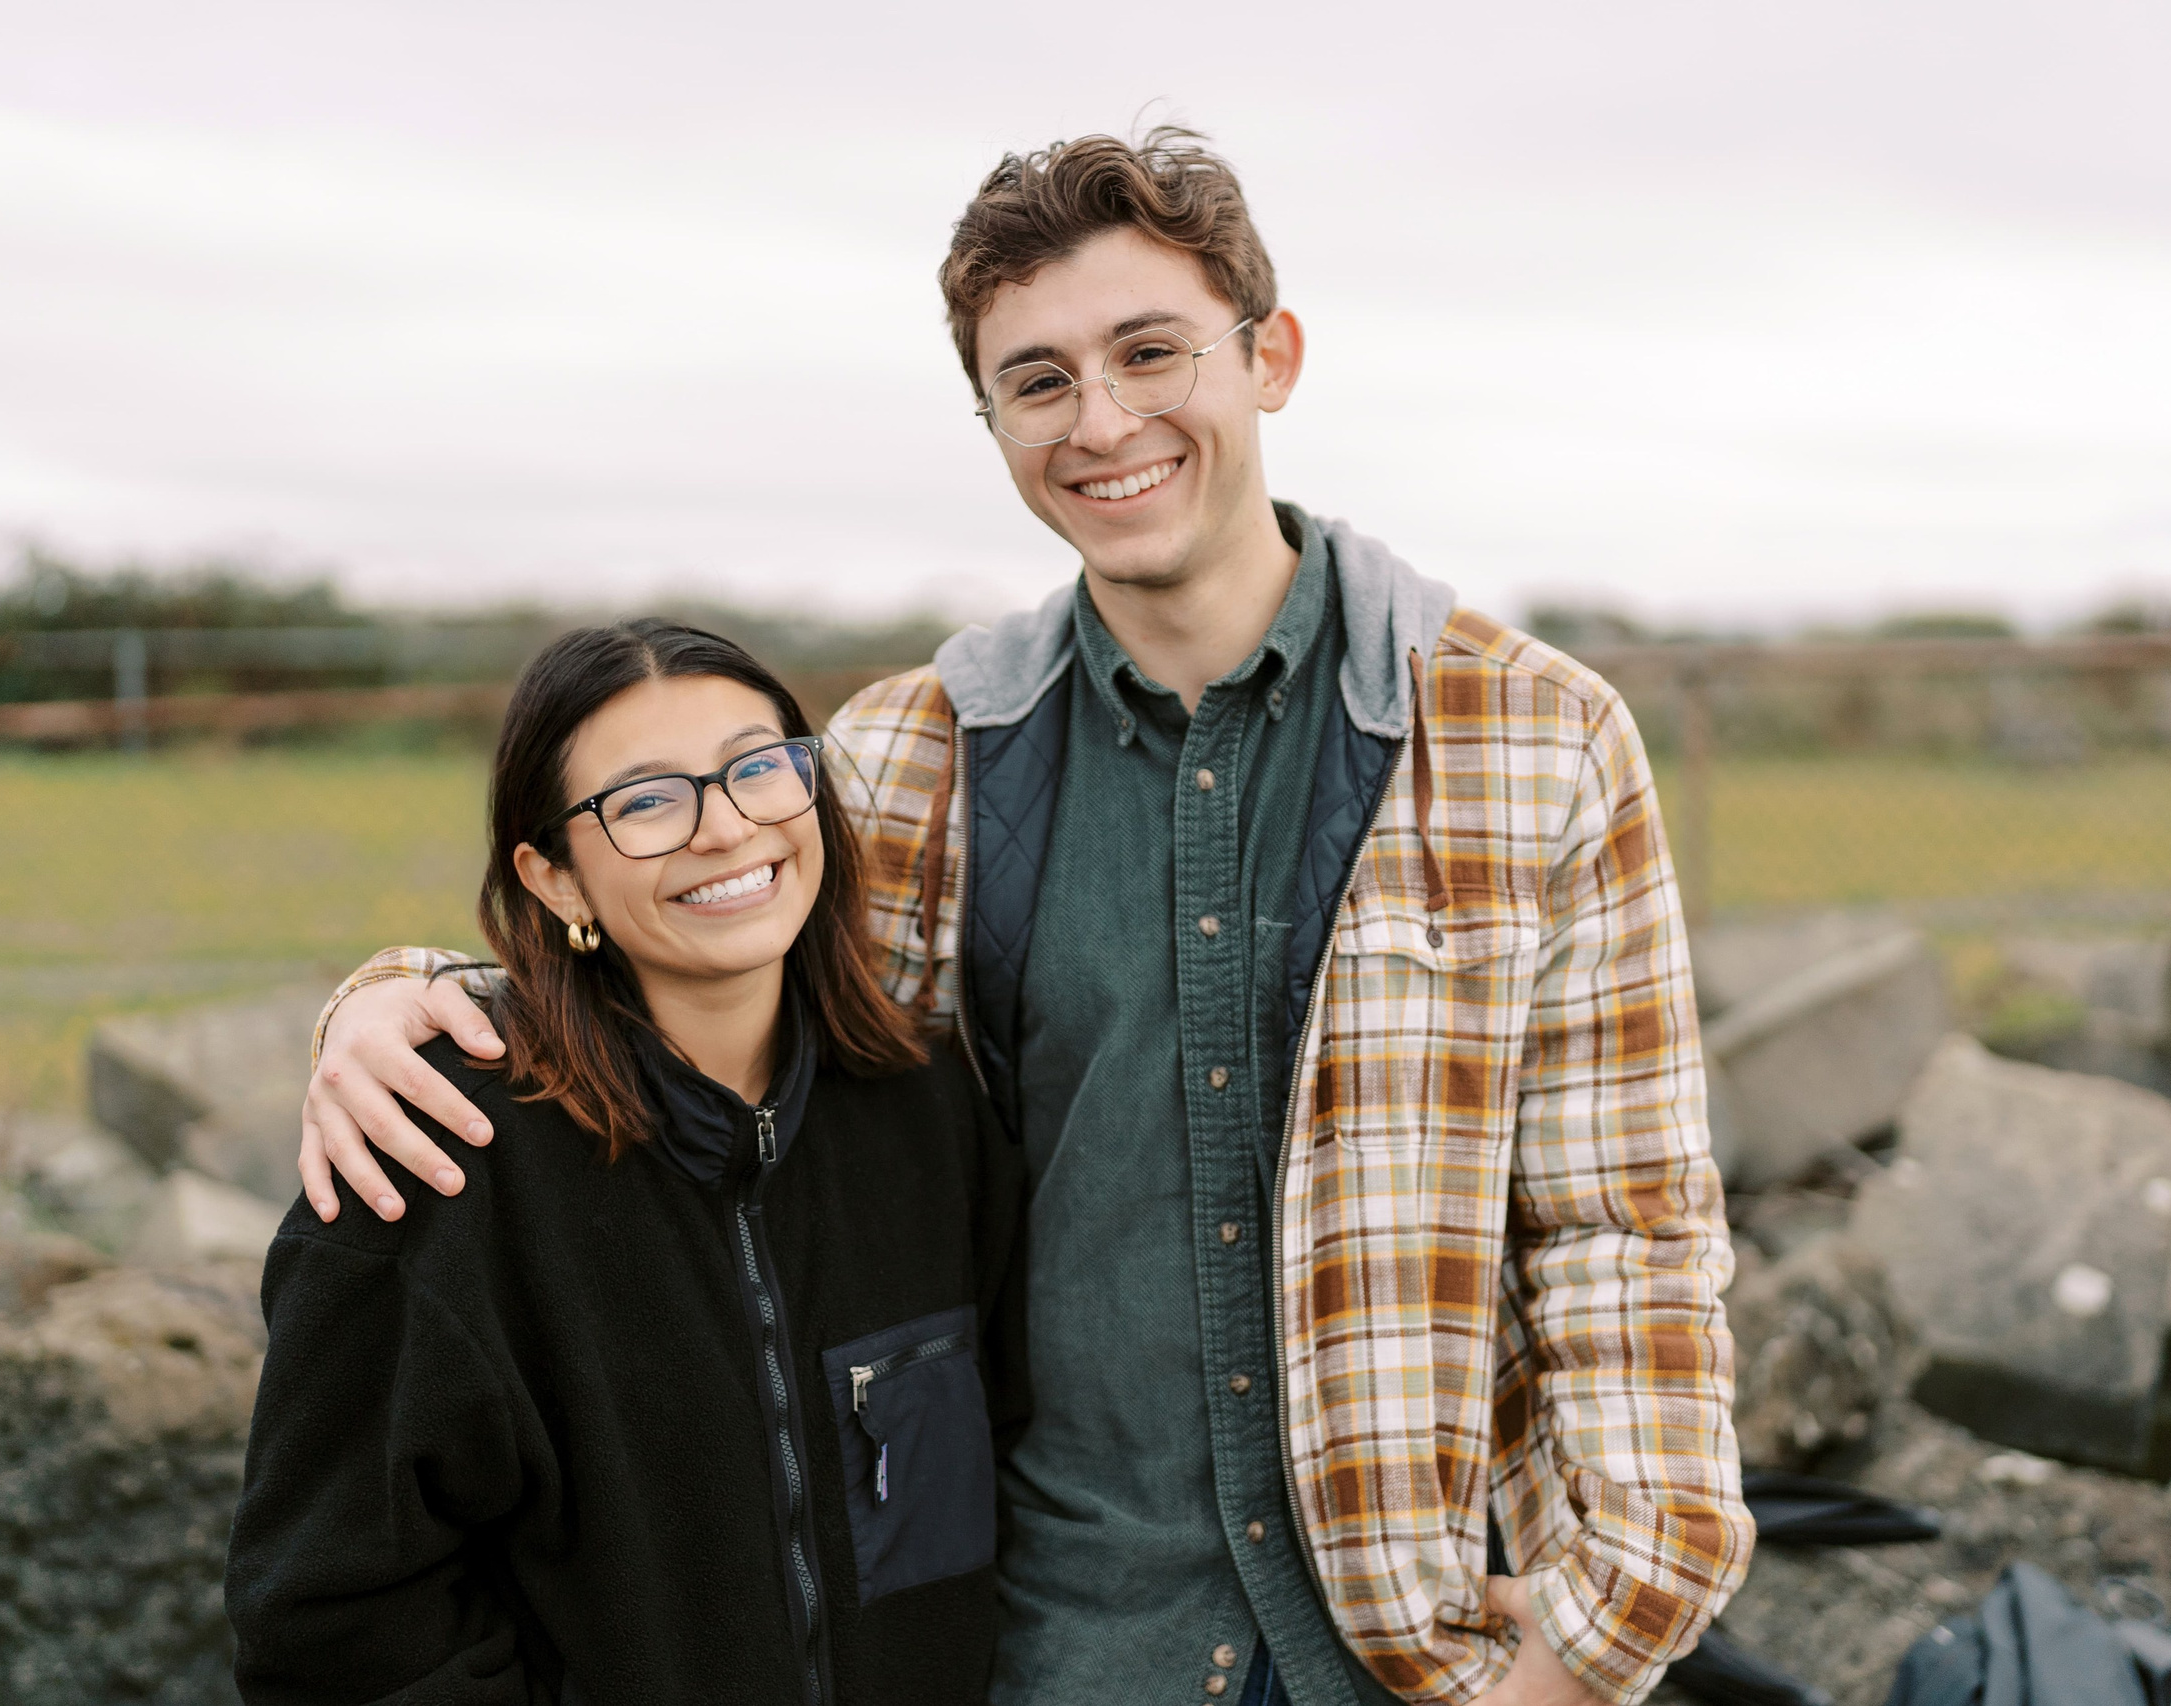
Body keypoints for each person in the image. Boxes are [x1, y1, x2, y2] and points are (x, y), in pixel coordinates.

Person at [295, 132, 1752, 1706]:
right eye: (1038, 380)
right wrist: (394, 996)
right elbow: (685, 931)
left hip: (1419, 1653)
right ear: (992, 419)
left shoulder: (1535, 738)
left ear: (1272, 357)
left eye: (1149, 352)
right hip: (1050, 1650)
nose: (1102, 422)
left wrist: (1595, 1639)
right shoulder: (912, 758)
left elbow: (1627, 1229)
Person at [225, 620, 1025, 1705]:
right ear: (554, 877)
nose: (728, 828)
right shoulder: (438, 1158)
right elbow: (330, 1622)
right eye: (647, 800)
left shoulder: (926, 1110)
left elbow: (1001, 1481)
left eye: (757, 767)